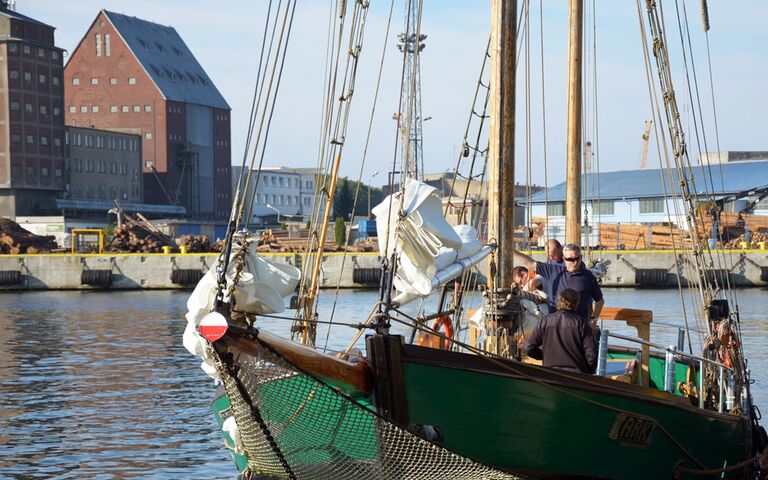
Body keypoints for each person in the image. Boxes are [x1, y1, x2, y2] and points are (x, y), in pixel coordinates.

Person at [512, 243, 604, 325]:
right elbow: (530, 263)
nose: (574, 262)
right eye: (570, 259)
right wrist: (511, 250)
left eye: (577, 258)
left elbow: (599, 301)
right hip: (556, 325)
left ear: (581, 258)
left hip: (579, 327)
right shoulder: (553, 271)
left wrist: (593, 320)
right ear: (564, 258)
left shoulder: (588, 277)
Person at [524, 288, 597, 374]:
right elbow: (592, 354)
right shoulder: (581, 323)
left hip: (550, 373)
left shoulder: (546, 321)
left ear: (558, 302)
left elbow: (528, 348)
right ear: (576, 304)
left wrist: (544, 356)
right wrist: (587, 373)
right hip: (576, 376)